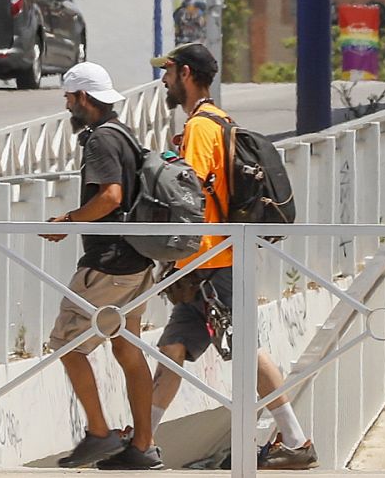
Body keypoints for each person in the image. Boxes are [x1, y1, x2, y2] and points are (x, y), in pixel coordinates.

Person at [148, 43, 318, 470]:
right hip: (209, 257)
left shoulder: (202, 128)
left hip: (212, 259)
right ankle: (143, 440)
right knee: (174, 347)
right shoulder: (220, 121)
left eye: (167, 72)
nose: (164, 80)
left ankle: (296, 441)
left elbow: (189, 194)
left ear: (186, 73)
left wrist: (177, 252)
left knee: (246, 348)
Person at [43, 62, 163, 470]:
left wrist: (69, 221)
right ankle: (143, 445)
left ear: (82, 98)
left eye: (68, 97)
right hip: (137, 261)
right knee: (128, 349)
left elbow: (110, 197)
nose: (66, 105)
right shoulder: (127, 135)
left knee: (66, 344)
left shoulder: (99, 141)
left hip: (109, 264)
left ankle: (99, 433)